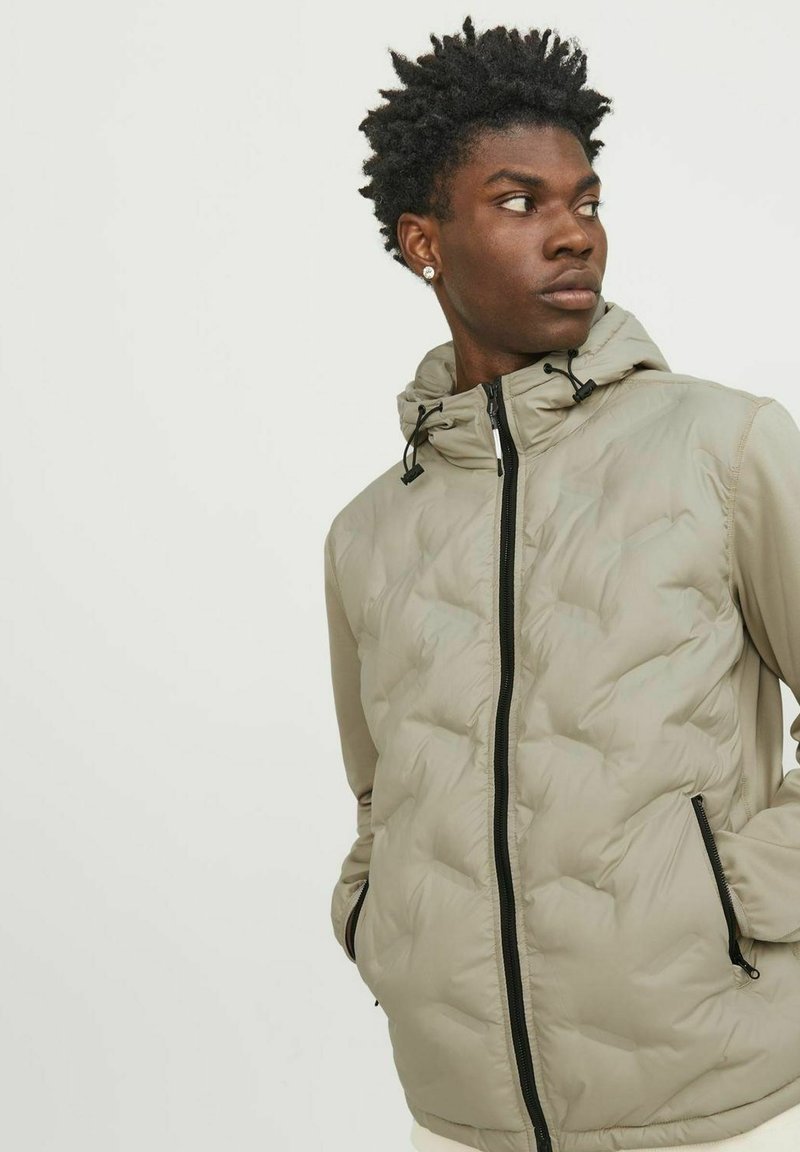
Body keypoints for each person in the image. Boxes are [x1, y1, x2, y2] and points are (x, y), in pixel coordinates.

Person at [323, 16, 800, 1152]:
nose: (574, 232)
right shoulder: (368, 533)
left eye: (585, 200)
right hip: (460, 1110)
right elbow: (380, 794)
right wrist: (377, 916)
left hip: (716, 1096)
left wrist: (748, 892)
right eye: (518, 201)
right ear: (424, 241)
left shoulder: (723, 448)